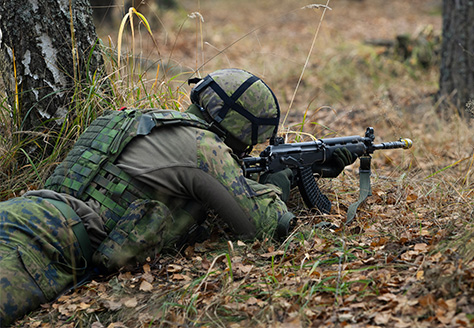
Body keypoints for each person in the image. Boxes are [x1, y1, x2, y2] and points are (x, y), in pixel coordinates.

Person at [0, 68, 356, 325]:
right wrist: (281, 178)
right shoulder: (204, 147)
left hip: (23, 213)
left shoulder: (136, 119)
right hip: (44, 240)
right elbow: (263, 224)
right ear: (244, 129)